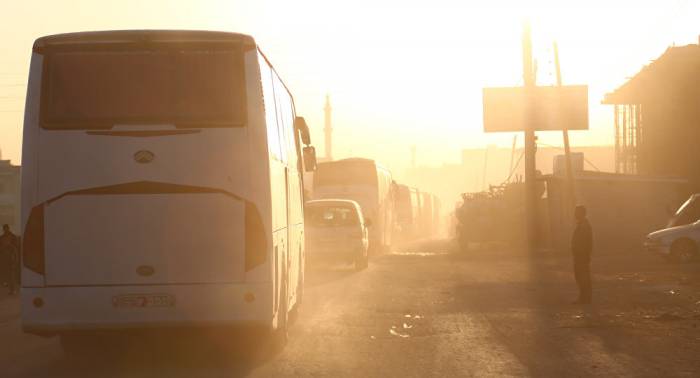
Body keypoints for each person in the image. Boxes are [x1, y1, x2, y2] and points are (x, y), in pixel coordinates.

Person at [571, 206, 593, 304]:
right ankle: (584, 297)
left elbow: (586, 242)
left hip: (581, 255)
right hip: (580, 255)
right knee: (580, 276)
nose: (575, 214)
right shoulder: (582, 224)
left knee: (582, 276)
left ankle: (585, 298)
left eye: (576, 212)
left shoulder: (584, 225)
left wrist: (583, 254)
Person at [0, 224, 19, 295]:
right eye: (4, 229)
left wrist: (9, 246)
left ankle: (13, 289)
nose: (5, 230)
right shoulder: (1, 237)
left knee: (11, 274)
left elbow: (16, 247)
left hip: (11, 258)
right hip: (4, 258)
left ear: (8, 228)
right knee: (7, 274)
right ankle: (10, 289)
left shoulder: (13, 237)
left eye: (6, 228)